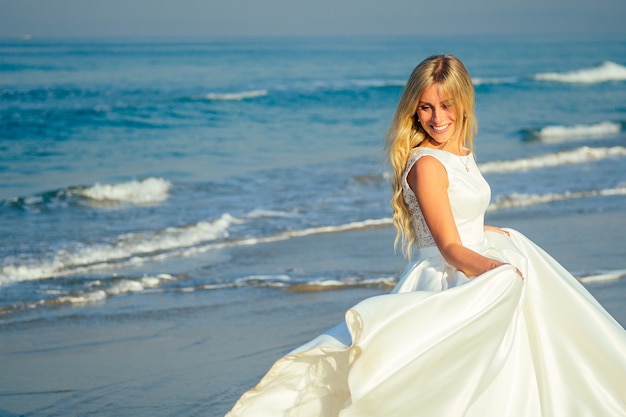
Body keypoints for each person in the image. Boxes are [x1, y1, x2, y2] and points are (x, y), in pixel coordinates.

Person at [225, 55, 626, 417]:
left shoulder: (460, 152)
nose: (437, 118)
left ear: (463, 101)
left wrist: (490, 233)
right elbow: (448, 247)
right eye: (426, 107)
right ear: (413, 109)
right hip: (449, 277)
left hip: (471, 256)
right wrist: (494, 268)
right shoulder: (428, 164)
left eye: (445, 105)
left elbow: (455, 218)